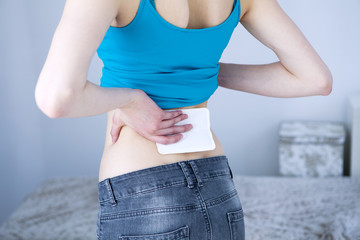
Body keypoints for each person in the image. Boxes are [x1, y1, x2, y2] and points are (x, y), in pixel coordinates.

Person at [35, 0, 332, 239]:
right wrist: (203, 72)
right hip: (218, 187)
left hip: (143, 188)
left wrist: (131, 99)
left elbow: (57, 98)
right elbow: (315, 80)